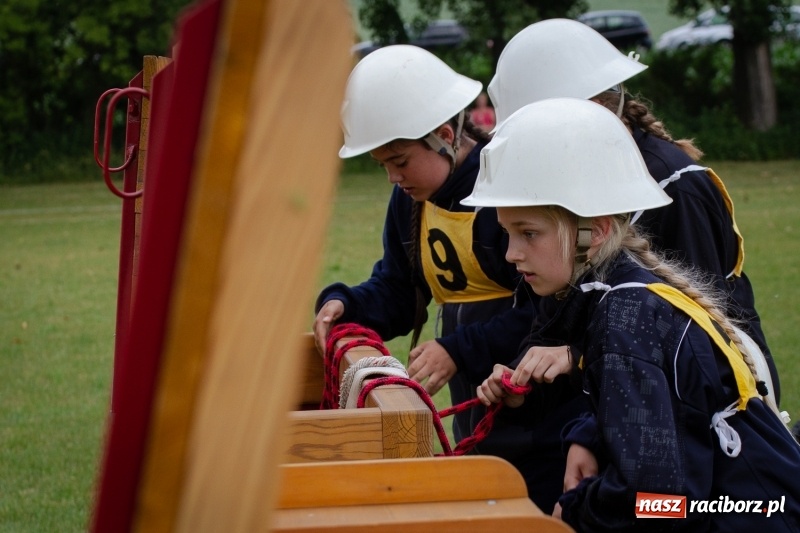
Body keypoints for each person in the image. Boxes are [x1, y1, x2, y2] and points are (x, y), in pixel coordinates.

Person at [470, 97, 800, 531]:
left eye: (529, 233)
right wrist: (589, 436)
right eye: (507, 233)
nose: (511, 253)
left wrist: (575, 510)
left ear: (596, 231)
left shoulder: (624, 319)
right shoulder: (619, 293)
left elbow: (659, 503)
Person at [312, 44, 586, 512]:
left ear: (444, 136)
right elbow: (400, 291)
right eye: (382, 164)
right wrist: (347, 304)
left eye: (400, 161)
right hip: (479, 414)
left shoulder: (508, 188)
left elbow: (549, 310)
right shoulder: (411, 201)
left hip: (548, 421)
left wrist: (459, 349)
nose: (392, 177)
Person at [486, 18, 782, 407]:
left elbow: (693, 335)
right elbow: (560, 315)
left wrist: (578, 357)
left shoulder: (678, 187)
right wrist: (522, 374)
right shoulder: (577, 181)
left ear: (592, 110)